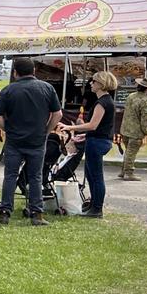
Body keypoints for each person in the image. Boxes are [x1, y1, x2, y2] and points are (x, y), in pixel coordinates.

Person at [0, 57, 62, 226]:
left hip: (14, 140)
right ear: (34, 71)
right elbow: (58, 114)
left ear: (15, 73)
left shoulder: (8, 90)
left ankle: (5, 212)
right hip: (37, 140)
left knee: (10, 176)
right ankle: (37, 214)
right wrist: (47, 130)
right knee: (36, 177)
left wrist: (7, 129)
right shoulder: (47, 88)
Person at [61, 71, 117, 218]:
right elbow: (101, 126)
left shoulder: (102, 102)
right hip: (97, 139)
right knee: (91, 175)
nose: (91, 84)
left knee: (96, 176)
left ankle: (97, 209)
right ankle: (93, 205)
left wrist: (71, 128)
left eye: (93, 81)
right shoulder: (106, 101)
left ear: (101, 84)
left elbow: (92, 125)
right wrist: (84, 134)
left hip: (97, 142)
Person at [119, 77, 147, 181]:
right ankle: (128, 173)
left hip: (125, 128)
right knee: (131, 152)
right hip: (136, 131)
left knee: (128, 151)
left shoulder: (131, 96)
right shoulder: (145, 101)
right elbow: (145, 119)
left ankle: (123, 171)